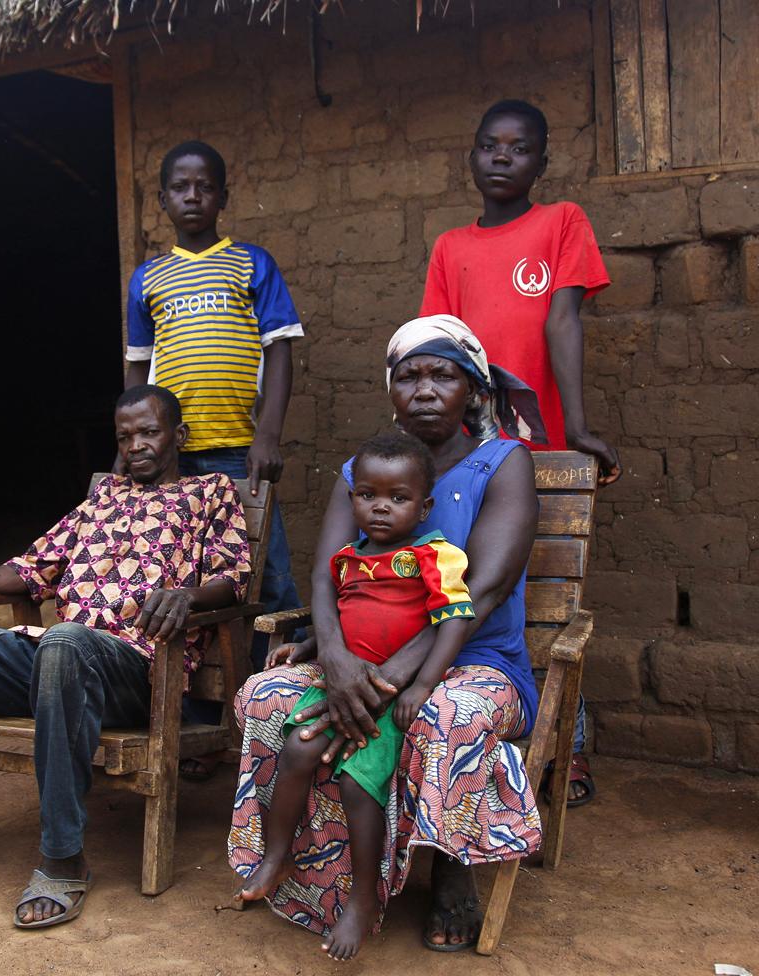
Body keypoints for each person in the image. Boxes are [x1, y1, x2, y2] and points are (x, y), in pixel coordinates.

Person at [0, 384, 249, 929]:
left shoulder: (210, 494)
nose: (136, 445)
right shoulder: (103, 499)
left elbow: (233, 580)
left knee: (67, 640)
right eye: (125, 436)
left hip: (132, 671)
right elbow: (29, 568)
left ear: (178, 435)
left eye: (149, 432)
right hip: (49, 660)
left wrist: (188, 595)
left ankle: (63, 858)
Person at [229, 315, 541, 954]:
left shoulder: (503, 464)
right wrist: (337, 659)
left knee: (445, 715)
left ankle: (452, 871)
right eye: (409, 377)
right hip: (362, 656)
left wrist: (385, 678)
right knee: (268, 698)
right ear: (391, 391)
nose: (424, 389)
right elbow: (327, 573)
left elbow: (481, 592)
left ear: (474, 390)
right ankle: (313, 873)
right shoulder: (365, 470)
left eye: (443, 374)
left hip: (472, 655)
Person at [420, 99, 618, 804]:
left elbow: (562, 320)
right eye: (489, 145)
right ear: (471, 156)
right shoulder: (451, 247)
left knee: (549, 602)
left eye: (520, 147)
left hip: (538, 447)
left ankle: (570, 748)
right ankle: (471, 736)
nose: (502, 157)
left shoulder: (560, 222)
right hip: (470, 450)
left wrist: (579, 427)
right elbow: (438, 349)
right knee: (475, 588)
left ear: (543, 160)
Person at [235, 430, 475, 960]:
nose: (382, 508)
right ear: (352, 499)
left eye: (398, 498)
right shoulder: (348, 559)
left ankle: (363, 900)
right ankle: (276, 856)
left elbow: (453, 621)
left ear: (425, 504)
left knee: (357, 783)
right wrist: (306, 645)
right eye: (368, 495)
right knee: (296, 749)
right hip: (338, 684)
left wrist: (423, 683)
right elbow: (339, 617)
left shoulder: (436, 556)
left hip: (387, 694)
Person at [124, 140, 304, 777]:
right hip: (174, 462)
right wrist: (133, 447)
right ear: (164, 199)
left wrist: (269, 436)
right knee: (181, 585)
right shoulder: (147, 279)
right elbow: (138, 369)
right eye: (180, 187)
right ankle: (200, 722)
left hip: (237, 454)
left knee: (266, 582)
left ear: (223, 197)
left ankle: (268, 715)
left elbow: (280, 350)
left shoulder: (251, 264)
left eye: (205, 187)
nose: (192, 197)